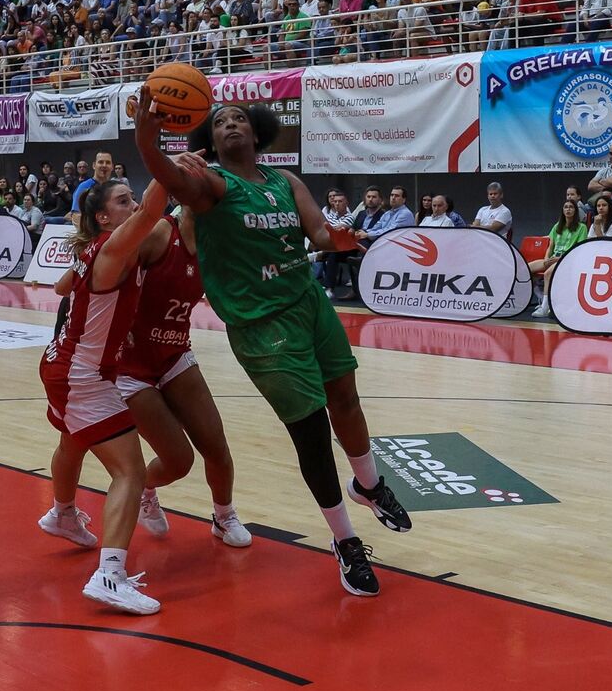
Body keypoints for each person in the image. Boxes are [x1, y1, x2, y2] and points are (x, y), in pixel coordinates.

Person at [136, 100, 412, 600]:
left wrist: (349, 239)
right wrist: (146, 141)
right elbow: (173, 182)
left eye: (239, 117)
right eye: (219, 122)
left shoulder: (285, 181)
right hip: (261, 324)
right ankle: (346, 541)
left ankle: (369, 484)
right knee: (311, 431)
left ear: (257, 131)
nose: (230, 124)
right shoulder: (212, 185)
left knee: (346, 398)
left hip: (308, 303)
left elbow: (321, 234)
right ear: (212, 141)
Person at [38, 153, 168, 616]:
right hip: (82, 373)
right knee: (129, 471)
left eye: (132, 197)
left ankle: (63, 514)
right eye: (122, 200)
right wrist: (164, 159)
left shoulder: (95, 251)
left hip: (65, 364)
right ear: (102, 217)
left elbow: (58, 289)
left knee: (72, 440)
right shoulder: (112, 249)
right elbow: (154, 212)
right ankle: (110, 574)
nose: (132, 205)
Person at [112, 205, 251, 550]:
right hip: (130, 364)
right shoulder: (159, 234)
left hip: (174, 354)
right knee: (179, 461)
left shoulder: (214, 240)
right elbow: (107, 275)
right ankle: (145, 489)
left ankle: (224, 516)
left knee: (217, 447)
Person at [530, 199, 587, 317]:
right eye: (566, 207)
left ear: (575, 211)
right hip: (553, 258)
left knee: (547, 274)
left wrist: (559, 258)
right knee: (526, 269)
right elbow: (550, 245)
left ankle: (545, 308)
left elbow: (578, 249)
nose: (568, 209)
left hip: (567, 259)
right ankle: (542, 298)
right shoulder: (557, 226)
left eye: (571, 207)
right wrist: (546, 258)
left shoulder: (582, 227)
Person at [70, 150, 114, 227]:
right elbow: (76, 216)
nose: (104, 165)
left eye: (108, 162)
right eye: (100, 162)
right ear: (94, 165)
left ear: (112, 167)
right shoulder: (84, 187)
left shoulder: (115, 187)